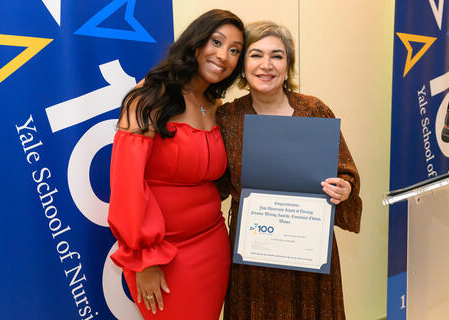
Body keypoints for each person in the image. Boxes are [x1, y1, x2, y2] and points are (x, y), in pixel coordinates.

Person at [216, 21, 362, 320]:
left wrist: (345, 189)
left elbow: (346, 172)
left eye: (277, 56)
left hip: (309, 254)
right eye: (256, 55)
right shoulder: (228, 117)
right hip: (253, 259)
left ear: (288, 64)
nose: (266, 65)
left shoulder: (314, 110)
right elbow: (213, 183)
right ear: (242, 65)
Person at [107, 9, 244, 320]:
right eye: (217, 42)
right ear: (195, 43)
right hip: (162, 254)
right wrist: (144, 260)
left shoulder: (216, 106)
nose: (224, 56)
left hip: (212, 243)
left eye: (234, 50)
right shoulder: (149, 98)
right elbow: (127, 185)